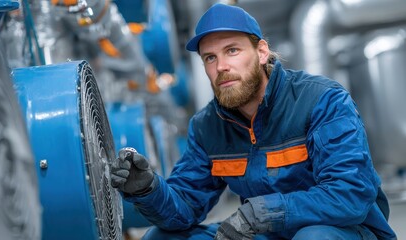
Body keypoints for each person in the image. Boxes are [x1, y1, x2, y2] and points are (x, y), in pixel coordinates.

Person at [110, 3, 397, 240]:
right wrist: (148, 189)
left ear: (261, 52)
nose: (222, 66)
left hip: (346, 231)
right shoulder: (208, 126)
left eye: (232, 51)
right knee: (160, 238)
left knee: (314, 237)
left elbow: (349, 195)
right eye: (210, 57)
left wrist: (264, 212)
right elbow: (184, 208)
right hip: (267, 233)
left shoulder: (322, 101)